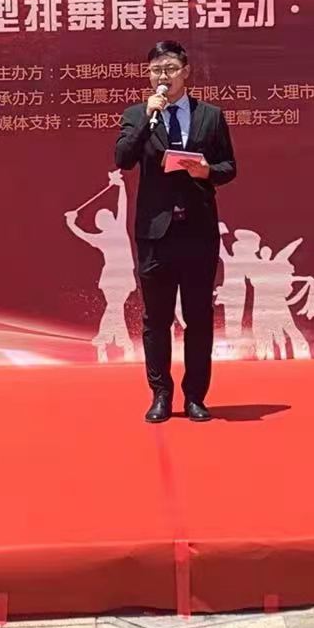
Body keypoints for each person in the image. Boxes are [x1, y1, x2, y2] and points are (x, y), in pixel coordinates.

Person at [115, 41, 237, 423]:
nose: (162, 77)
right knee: (156, 319)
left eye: (169, 69)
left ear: (185, 72)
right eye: (155, 70)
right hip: (156, 233)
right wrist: (147, 116)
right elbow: (123, 158)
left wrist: (207, 171)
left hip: (198, 231)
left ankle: (196, 396)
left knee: (198, 317)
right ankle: (161, 394)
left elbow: (229, 166)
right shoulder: (137, 114)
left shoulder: (210, 116)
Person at [65, 169, 137, 361]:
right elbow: (122, 205)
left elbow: (122, 205)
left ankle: (105, 343)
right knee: (115, 308)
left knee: (114, 309)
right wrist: (121, 186)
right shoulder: (110, 234)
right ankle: (120, 345)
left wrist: (71, 223)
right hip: (117, 278)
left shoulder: (107, 235)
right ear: (105, 222)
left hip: (118, 278)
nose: (112, 217)